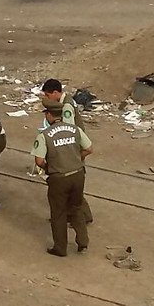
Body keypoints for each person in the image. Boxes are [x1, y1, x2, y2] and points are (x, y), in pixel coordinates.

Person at [32, 98, 93, 257]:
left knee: (58, 213)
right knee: (76, 208)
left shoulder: (44, 135)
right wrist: (75, 159)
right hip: (78, 174)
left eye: (46, 114)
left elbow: (39, 161)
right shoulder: (75, 129)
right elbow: (89, 149)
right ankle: (83, 242)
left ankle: (60, 248)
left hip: (59, 178)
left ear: (50, 115)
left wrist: (50, 167)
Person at [41, 78, 94, 224]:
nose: (47, 98)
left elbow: (68, 130)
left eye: (48, 95)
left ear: (56, 92)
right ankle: (81, 216)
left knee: (69, 180)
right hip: (74, 145)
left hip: (72, 147)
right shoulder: (67, 101)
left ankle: (79, 216)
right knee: (73, 182)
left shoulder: (66, 107)